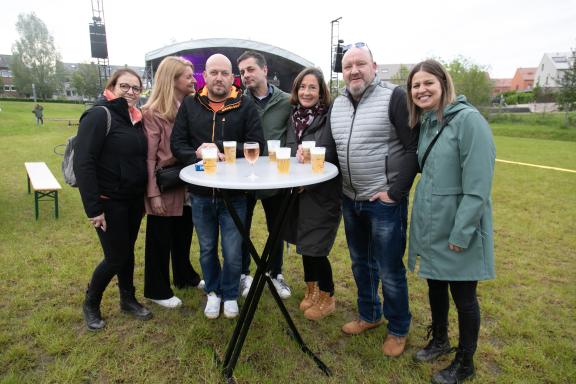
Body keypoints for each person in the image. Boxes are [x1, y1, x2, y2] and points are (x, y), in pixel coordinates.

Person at [407, 59, 495, 384]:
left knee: (464, 295)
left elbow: (478, 187)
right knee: (435, 284)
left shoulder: (469, 121)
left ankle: (465, 362)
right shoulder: (427, 123)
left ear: (444, 83)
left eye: (428, 83)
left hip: (458, 227)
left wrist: (462, 231)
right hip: (432, 224)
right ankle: (440, 340)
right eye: (416, 85)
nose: (421, 90)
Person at [330, 43, 419, 357]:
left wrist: (395, 194)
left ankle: (398, 328)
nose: (354, 70)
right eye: (348, 65)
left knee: (389, 268)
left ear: (374, 66)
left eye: (360, 64)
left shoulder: (393, 97)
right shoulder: (338, 103)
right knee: (360, 264)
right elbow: (332, 148)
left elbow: (412, 149)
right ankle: (369, 315)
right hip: (350, 199)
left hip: (383, 202)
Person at [171, 53, 265, 319]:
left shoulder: (244, 105)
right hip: (200, 193)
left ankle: (231, 293)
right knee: (208, 248)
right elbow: (177, 145)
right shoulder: (190, 105)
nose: (219, 78)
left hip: (234, 194)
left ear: (232, 77)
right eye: (214, 73)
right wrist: (198, 152)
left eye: (225, 73)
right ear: (205, 75)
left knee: (233, 250)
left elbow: (259, 145)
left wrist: (225, 151)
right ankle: (213, 292)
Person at [74, 68, 152, 331]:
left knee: (126, 252)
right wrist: (94, 208)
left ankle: (127, 299)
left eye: (136, 88)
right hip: (108, 201)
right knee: (116, 256)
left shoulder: (135, 119)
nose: (131, 92)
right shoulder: (99, 115)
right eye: (125, 86)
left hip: (132, 200)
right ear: (113, 86)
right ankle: (91, 303)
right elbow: (83, 163)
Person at [141, 56, 203, 309]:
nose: (193, 80)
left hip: (186, 182)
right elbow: (148, 157)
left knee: (183, 234)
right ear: (172, 79)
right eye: (188, 76)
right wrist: (152, 194)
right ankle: (156, 288)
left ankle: (184, 276)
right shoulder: (152, 113)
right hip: (165, 184)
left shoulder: (187, 107)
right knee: (160, 238)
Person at [284, 67, 341, 321]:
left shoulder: (330, 116)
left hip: (323, 191)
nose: (306, 92)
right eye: (302, 87)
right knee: (305, 243)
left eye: (312, 87)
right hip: (298, 191)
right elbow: (288, 147)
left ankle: (328, 295)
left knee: (316, 246)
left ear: (321, 92)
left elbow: (335, 152)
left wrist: (314, 160)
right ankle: (312, 289)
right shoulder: (293, 116)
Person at [237, 51, 292, 299]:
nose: (246, 75)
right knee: (241, 229)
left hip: (275, 178)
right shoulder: (237, 101)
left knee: (276, 229)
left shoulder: (287, 101)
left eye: (250, 69)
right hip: (243, 177)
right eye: (242, 72)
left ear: (264, 70)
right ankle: (243, 275)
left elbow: (295, 136)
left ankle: (275, 272)